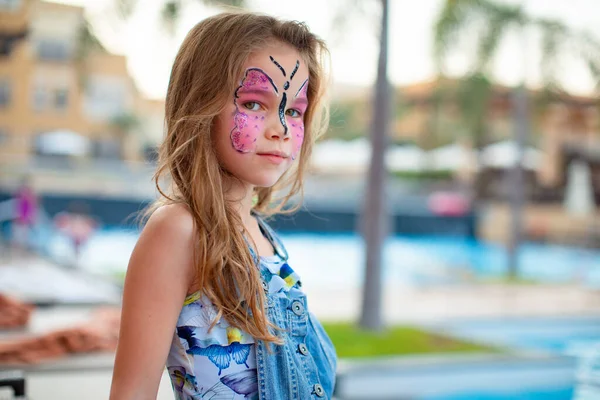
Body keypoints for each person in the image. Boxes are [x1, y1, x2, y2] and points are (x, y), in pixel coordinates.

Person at [110, 12, 337, 400]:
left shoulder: (266, 240)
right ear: (201, 105)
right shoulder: (179, 231)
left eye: (294, 110)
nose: (280, 127)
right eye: (253, 104)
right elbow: (132, 393)